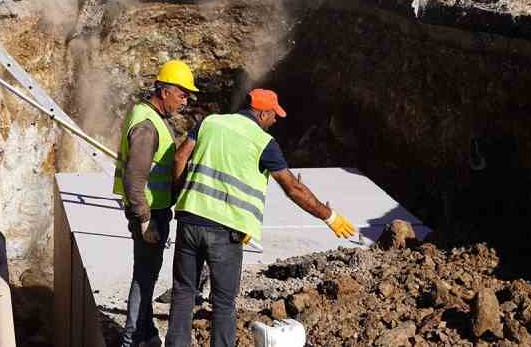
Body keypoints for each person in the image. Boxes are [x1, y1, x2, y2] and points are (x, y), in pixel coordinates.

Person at [164, 89, 358, 347]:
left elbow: (179, 157)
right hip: (225, 230)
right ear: (262, 112)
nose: (275, 121)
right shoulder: (264, 142)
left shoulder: (210, 123)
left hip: (190, 220)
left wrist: (178, 196)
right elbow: (293, 188)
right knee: (223, 302)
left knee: (183, 291)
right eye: (273, 115)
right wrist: (329, 216)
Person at [114, 60, 198, 347]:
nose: (185, 100)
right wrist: (145, 219)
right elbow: (134, 178)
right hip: (149, 212)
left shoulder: (147, 116)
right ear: (165, 91)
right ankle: (132, 338)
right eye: (182, 93)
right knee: (145, 277)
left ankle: (145, 334)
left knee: (146, 274)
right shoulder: (148, 127)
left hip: (153, 209)